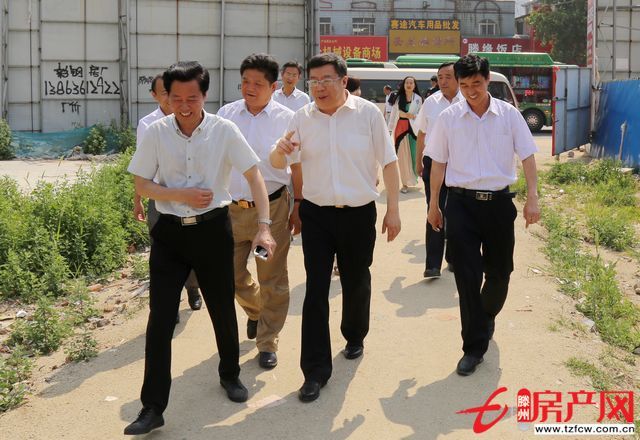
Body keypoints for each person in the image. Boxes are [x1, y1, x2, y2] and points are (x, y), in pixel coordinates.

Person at [124, 61, 276, 435]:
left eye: (191, 98)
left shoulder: (224, 130)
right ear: (166, 97)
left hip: (212, 232)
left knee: (222, 307)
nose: (184, 106)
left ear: (204, 95)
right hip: (169, 236)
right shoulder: (156, 132)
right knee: (160, 318)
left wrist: (264, 227)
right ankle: (153, 406)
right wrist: (181, 195)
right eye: (176, 98)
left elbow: (254, 175)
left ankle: (230, 374)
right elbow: (142, 184)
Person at [270, 53, 401, 403]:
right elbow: (279, 161)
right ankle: (314, 371)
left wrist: (393, 210)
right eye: (314, 81)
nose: (319, 87)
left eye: (326, 80)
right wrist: (280, 151)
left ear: (343, 81)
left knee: (356, 279)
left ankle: (355, 334)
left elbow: (389, 162)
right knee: (316, 290)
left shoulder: (368, 114)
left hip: (358, 213)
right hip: (317, 215)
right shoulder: (302, 118)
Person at [426, 54, 540, 376]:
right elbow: (438, 163)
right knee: (466, 276)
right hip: (460, 204)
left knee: (500, 272)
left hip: (499, 204)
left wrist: (533, 198)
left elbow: (528, 156)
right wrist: (433, 204)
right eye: (464, 85)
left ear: (488, 80)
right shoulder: (449, 118)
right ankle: (473, 347)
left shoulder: (509, 115)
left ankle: (486, 314)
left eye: (477, 83)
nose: (471, 91)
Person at [217, 53, 301, 370]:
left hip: (273, 211)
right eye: (245, 82)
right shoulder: (226, 115)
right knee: (229, 275)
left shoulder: (287, 120)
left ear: (273, 86)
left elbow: (297, 166)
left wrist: (299, 205)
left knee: (271, 277)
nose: (249, 88)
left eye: (257, 83)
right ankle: (256, 311)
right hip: (232, 211)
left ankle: (268, 341)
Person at [133, 74, 202, 321]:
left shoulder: (192, 118)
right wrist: (138, 200)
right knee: (162, 251)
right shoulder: (147, 125)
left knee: (192, 246)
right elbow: (141, 167)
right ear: (155, 95)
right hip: (159, 196)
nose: (172, 99)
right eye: (165, 93)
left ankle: (192, 287)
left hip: (189, 196)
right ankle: (169, 305)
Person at [415, 62, 463, 279]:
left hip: (459, 164)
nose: (443, 81)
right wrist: (418, 161)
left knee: (457, 211)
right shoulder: (431, 102)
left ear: (458, 78)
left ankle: (453, 257)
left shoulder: (467, 102)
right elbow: (422, 133)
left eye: (448, 77)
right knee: (434, 208)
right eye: (440, 77)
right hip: (433, 162)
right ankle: (432, 264)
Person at [388, 76, 422, 193]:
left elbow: (421, 114)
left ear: (414, 85)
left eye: (411, 83)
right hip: (401, 129)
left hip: (414, 129)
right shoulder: (398, 98)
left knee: (414, 155)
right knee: (402, 157)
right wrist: (389, 130)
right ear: (403, 84)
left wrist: (411, 116)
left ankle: (412, 178)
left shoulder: (418, 99)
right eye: (407, 82)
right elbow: (393, 115)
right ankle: (404, 184)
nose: (409, 84)